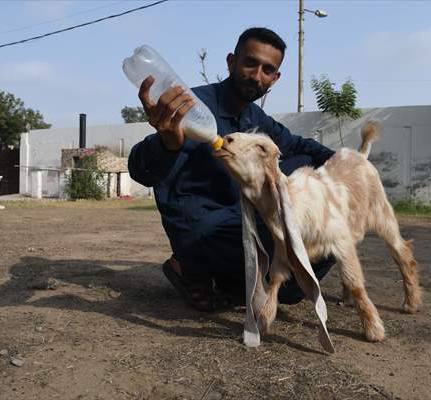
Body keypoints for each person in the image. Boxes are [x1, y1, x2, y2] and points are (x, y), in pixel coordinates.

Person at [128, 27, 336, 311]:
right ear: (231, 62)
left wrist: (348, 165)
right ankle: (189, 267)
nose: (256, 74)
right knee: (278, 240)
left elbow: (299, 147)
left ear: (275, 79)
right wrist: (168, 142)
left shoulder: (256, 118)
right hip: (203, 228)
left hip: (241, 222)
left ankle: (233, 283)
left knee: (319, 252)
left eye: (267, 69)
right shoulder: (191, 106)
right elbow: (141, 169)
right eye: (250, 62)